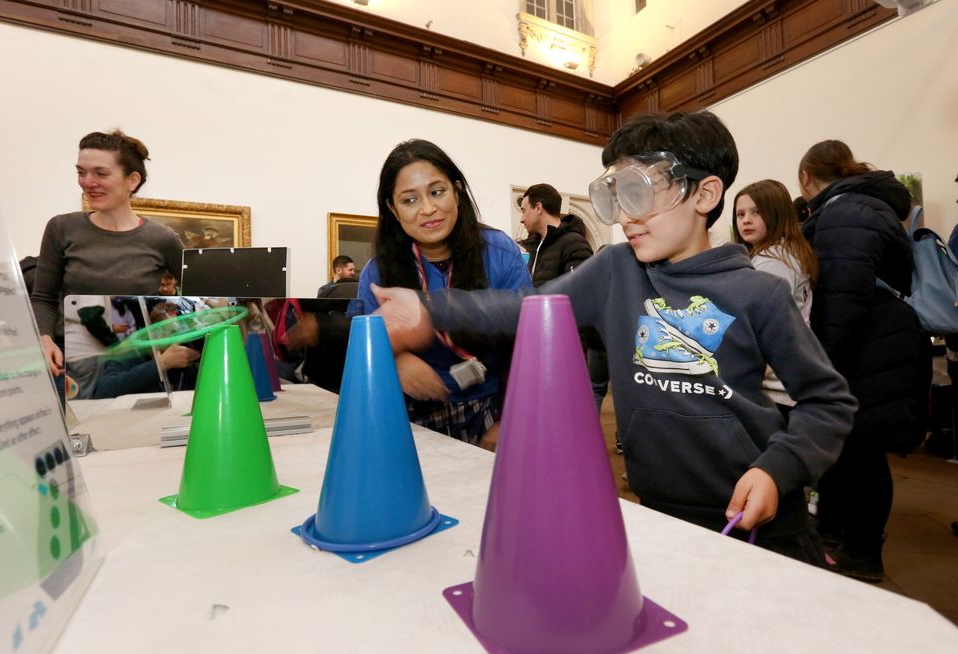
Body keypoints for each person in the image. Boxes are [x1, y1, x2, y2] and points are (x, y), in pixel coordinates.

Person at [373, 111, 857, 566]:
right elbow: (523, 309)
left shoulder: (761, 292)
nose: (624, 217)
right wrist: (429, 308)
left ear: (705, 195)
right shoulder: (615, 270)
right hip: (655, 512)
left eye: (639, 195)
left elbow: (828, 401)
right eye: (617, 198)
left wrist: (779, 469)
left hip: (760, 524)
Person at [799, 139, 932, 582]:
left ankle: (862, 553)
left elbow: (841, 295)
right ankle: (837, 532)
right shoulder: (866, 206)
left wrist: (821, 364)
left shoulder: (844, 211)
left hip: (867, 346)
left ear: (805, 179)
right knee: (850, 449)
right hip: (878, 341)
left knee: (863, 455)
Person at [357, 139, 532, 445]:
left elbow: (529, 341)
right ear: (392, 208)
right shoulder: (377, 272)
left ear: (457, 191)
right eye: (409, 200)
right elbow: (362, 349)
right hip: (407, 418)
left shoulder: (499, 250)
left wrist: (511, 418)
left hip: (491, 411)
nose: (428, 209)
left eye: (437, 192)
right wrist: (394, 360)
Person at [30, 130, 185, 404]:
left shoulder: (162, 239)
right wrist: (44, 339)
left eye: (100, 174)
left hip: (135, 364)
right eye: (81, 172)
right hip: (70, 365)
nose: (87, 182)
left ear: (132, 181)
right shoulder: (62, 228)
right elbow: (43, 298)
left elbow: (195, 303)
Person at [732, 179, 819, 418]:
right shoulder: (784, 251)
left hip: (774, 385)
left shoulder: (772, 261)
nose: (746, 220)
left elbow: (757, 322)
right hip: (784, 378)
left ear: (777, 214)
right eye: (740, 214)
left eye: (756, 212)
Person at [518, 184, 593, 287]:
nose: (521, 219)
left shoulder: (575, 244)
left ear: (538, 208)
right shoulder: (537, 246)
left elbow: (580, 292)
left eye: (524, 211)